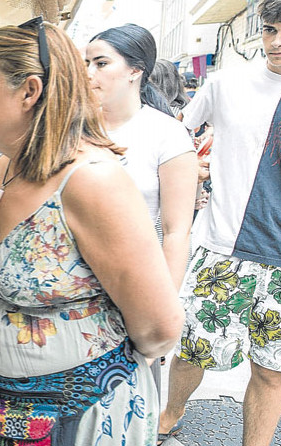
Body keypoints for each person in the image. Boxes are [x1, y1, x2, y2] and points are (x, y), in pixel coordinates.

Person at [0, 18, 183, 446]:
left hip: (79, 417)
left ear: (29, 91)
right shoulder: (0, 171)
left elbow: (160, 327)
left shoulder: (92, 181)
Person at [158, 1, 281, 446]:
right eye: (271, 30)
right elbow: (174, 138)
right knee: (193, 351)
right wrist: (188, 169)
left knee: (273, 371)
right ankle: (169, 415)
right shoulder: (226, 83)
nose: (277, 41)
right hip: (224, 249)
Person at [85, 25, 198, 289]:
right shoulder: (71, 127)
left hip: (130, 284)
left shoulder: (168, 134)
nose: (89, 73)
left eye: (101, 63)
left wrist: (166, 302)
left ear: (135, 70)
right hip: (64, 284)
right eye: (87, 63)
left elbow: (176, 232)